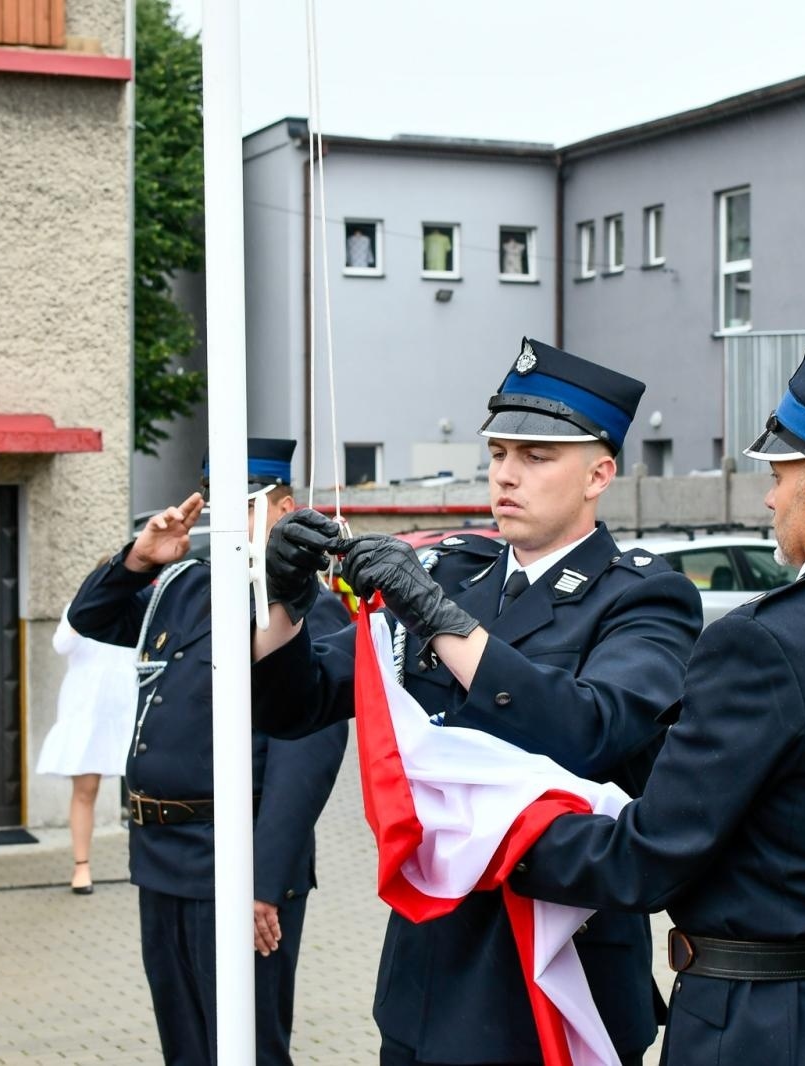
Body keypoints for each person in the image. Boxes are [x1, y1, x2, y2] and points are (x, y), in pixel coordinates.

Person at [503, 346, 805, 1065]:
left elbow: (648, 860)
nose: (769, 497)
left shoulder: (764, 642)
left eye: (780, 475)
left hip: (770, 1023)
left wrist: (499, 840)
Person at [252, 338, 704, 1066]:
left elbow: (593, 730)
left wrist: (439, 618)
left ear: (600, 473)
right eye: (498, 454)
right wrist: (282, 601)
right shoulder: (454, 573)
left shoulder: (644, 595)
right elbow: (298, 702)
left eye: (535, 457)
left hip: (554, 964)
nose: (506, 476)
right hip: (430, 963)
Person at [67, 438, 350, 1066]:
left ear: (283, 512)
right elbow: (90, 618)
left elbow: (305, 758)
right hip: (160, 856)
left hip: (235, 856)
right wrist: (141, 558)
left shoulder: (303, 608)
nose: (231, 522)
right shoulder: (184, 586)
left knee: (245, 1046)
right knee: (186, 1045)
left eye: (247, 505)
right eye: (220, 505)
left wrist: (264, 883)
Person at [35, 557, 139, 894]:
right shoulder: (78, 610)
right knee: (86, 790)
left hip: (127, 709)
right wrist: (87, 606)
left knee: (144, 789)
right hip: (88, 713)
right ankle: (82, 867)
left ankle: (146, 862)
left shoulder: (137, 609)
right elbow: (61, 644)